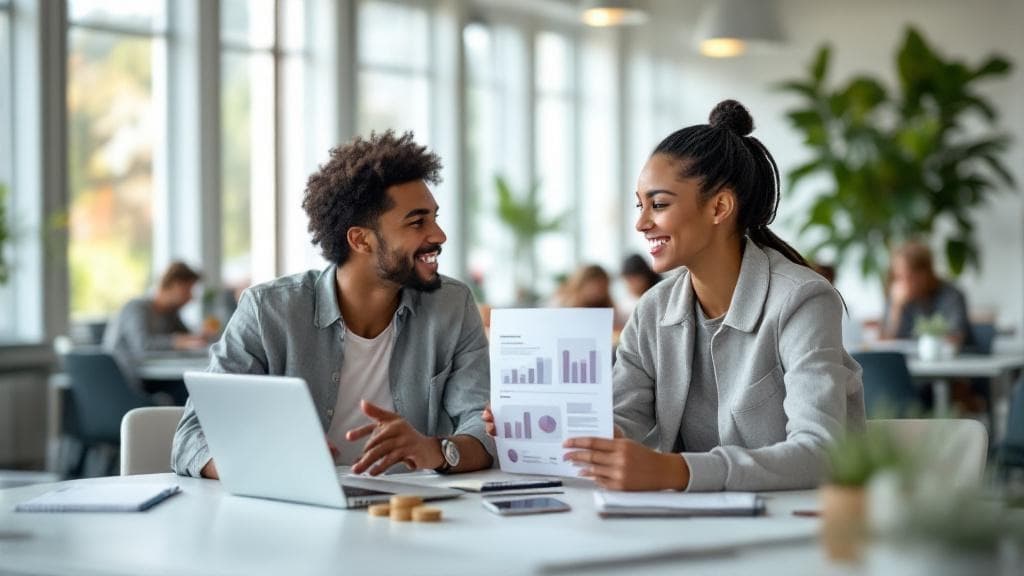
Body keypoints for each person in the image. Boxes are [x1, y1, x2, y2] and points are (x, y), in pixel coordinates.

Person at [485, 100, 864, 492]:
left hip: (800, 529)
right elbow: (623, 422)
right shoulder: (653, 310)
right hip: (694, 524)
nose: (642, 222)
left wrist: (677, 471)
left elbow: (821, 452)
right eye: (640, 204)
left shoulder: (802, 300)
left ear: (719, 207)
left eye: (659, 204)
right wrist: (537, 426)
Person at [172, 131, 494, 479]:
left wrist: (436, 451)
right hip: (298, 513)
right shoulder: (269, 311)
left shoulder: (452, 305)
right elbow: (192, 437)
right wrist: (269, 464)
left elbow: (484, 427)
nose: (439, 234)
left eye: (434, 217)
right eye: (417, 222)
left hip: (414, 508)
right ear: (360, 239)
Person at [103, 261, 209, 359]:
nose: (191, 297)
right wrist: (177, 342)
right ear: (175, 285)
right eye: (188, 290)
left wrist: (199, 337)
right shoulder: (136, 308)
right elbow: (142, 345)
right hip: (123, 374)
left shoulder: (170, 313)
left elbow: (188, 338)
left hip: (153, 373)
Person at [881, 241, 973, 350]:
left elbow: (955, 338)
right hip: (909, 364)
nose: (902, 284)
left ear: (924, 274)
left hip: (951, 363)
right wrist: (895, 310)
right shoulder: (898, 299)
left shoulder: (951, 296)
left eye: (908, 277)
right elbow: (885, 347)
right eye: (898, 277)